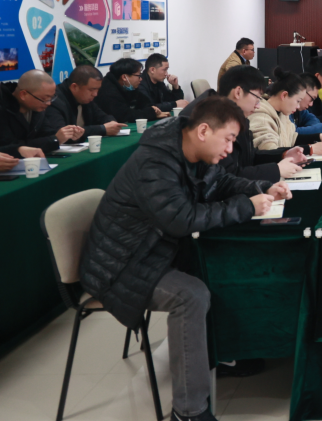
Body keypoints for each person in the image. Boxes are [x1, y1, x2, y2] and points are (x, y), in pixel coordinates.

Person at [79, 96, 292, 421]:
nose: (230, 149)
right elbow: (180, 219)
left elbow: (221, 182)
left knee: (221, 267)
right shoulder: (155, 162)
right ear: (204, 131)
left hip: (157, 250)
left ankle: (227, 352)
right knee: (191, 295)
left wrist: (261, 188)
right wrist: (246, 206)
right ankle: (189, 411)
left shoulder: (191, 149)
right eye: (228, 139)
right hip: (123, 264)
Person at [181, 66, 304, 185]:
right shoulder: (210, 119)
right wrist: (276, 170)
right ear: (238, 92)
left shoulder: (237, 116)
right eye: (257, 98)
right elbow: (227, 176)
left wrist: (283, 154)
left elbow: (250, 156)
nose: (258, 106)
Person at [0, 70, 84, 153]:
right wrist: (55, 140)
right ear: (23, 94)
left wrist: (67, 134)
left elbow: (46, 133)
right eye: (44, 98)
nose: (48, 103)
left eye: (51, 98)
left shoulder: (37, 108)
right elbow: (9, 147)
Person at [249, 70, 322, 153]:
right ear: (284, 95)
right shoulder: (262, 118)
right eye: (298, 101)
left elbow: (292, 138)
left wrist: (320, 137)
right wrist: (310, 149)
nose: (298, 106)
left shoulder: (282, 114)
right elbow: (271, 153)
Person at [42, 65, 125, 137]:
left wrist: (112, 123)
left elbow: (102, 116)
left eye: (97, 89)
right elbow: (62, 133)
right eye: (91, 90)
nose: (95, 94)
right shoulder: (54, 100)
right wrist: (102, 129)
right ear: (74, 87)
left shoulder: (85, 99)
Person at [96, 58, 166, 123]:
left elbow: (144, 102)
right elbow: (124, 116)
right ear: (124, 77)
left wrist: (153, 108)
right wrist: (151, 113)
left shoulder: (128, 86)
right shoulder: (107, 92)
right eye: (138, 76)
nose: (141, 79)